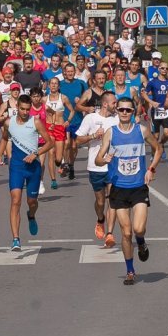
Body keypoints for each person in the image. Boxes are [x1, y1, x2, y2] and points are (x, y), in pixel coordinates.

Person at [95, 97, 162, 285]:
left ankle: (141, 242)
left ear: (134, 112)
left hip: (138, 187)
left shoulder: (141, 131)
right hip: (118, 188)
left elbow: (157, 149)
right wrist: (105, 160)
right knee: (125, 233)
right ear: (116, 111)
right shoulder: (111, 133)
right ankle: (130, 270)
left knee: (138, 229)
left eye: (128, 110)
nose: (125, 113)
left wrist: (151, 169)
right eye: (122, 110)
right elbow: (98, 159)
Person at [0, 94, 54, 251]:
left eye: (28, 109)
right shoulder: (9, 122)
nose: (25, 112)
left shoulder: (35, 121)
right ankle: (16, 239)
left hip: (33, 167)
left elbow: (50, 142)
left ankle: (31, 215)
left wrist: (36, 154)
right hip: (16, 167)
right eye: (22, 109)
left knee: (31, 202)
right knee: (15, 200)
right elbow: (4, 138)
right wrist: (0, 155)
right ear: (17, 108)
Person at [75, 92, 119, 247]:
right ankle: (100, 220)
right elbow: (78, 140)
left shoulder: (117, 119)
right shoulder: (91, 118)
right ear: (105, 104)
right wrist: (93, 135)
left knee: (112, 200)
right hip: (95, 166)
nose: (117, 105)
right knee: (100, 201)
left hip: (113, 167)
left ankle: (110, 233)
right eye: (114, 103)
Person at [44, 76, 75, 187]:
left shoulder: (63, 98)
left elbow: (72, 111)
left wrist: (68, 121)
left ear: (59, 86)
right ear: (48, 85)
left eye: (56, 83)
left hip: (60, 128)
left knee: (58, 158)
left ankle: (60, 163)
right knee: (50, 153)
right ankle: (53, 180)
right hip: (49, 128)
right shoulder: (44, 99)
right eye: (51, 83)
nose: (53, 85)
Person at [60, 63, 88, 180]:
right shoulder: (59, 85)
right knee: (66, 144)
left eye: (72, 71)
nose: (70, 73)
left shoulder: (81, 84)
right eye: (68, 71)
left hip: (77, 120)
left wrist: (82, 101)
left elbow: (88, 98)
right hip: (64, 119)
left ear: (75, 71)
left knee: (74, 145)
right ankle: (65, 163)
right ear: (64, 72)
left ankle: (71, 165)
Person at [143, 62, 168, 155]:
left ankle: (161, 143)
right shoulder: (153, 82)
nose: (164, 70)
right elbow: (143, 93)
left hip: (166, 111)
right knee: (155, 136)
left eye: (166, 68)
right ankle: (153, 155)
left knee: (167, 133)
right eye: (162, 68)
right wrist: (151, 102)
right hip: (155, 111)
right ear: (159, 69)